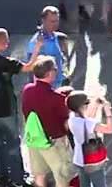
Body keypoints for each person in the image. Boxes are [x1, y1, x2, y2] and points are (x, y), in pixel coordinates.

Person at [0, 28, 46, 187]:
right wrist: (37, 48)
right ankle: (18, 178)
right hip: (7, 109)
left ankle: (1, 175)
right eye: (6, 39)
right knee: (12, 143)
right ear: (2, 42)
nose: (8, 42)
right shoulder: (5, 62)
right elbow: (28, 67)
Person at [20, 56, 73, 187]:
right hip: (53, 141)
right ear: (50, 73)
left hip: (34, 139)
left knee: (39, 173)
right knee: (61, 174)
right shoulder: (56, 98)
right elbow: (66, 119)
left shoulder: (27, 90)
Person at [66, 91, 112, 187]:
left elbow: (87, 118)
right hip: (93, 161)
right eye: (87, 102)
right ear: (81, 106)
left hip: (79, 159)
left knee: (84, 184)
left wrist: (95, 104)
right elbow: (110, 129)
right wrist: (108, 112)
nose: (88, 104)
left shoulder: (72, 118)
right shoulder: (88, 123)